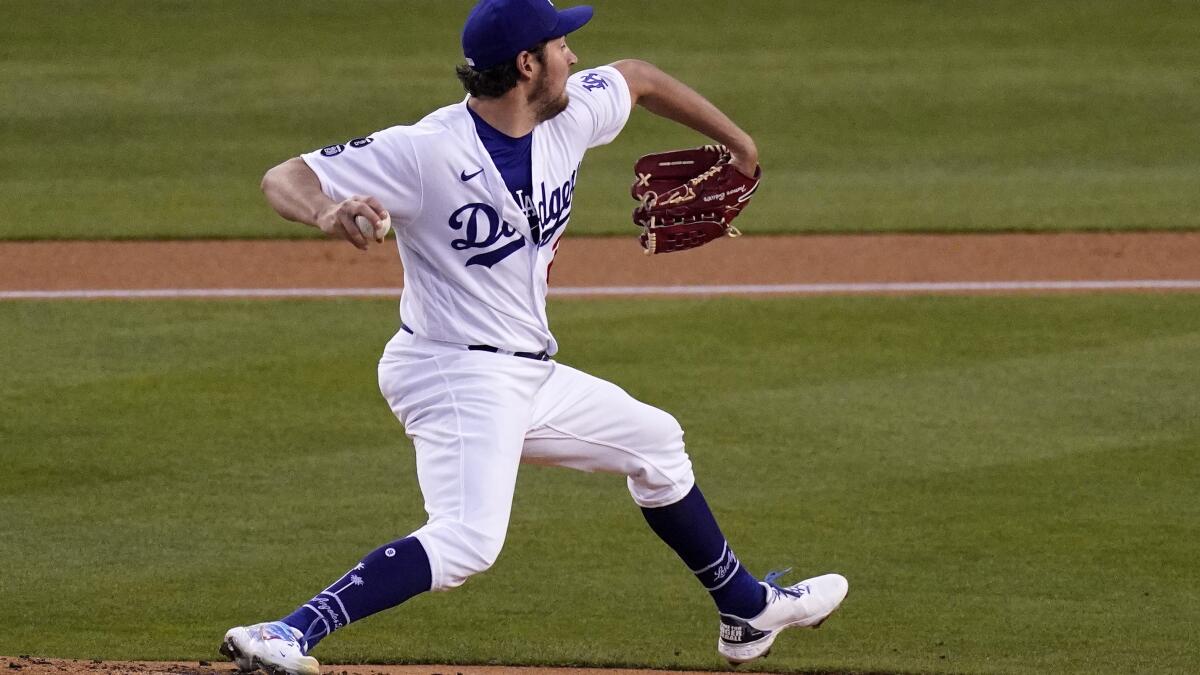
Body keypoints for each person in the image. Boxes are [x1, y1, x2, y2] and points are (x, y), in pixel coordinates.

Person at [221, 1, 847, 673]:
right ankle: (287, 631)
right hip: (451, 370)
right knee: (467, 540)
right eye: (560, 45)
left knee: (657, 443)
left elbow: (637, 77)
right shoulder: (427, 151)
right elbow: (284, 176)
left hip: (527, 373)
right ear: (527, 64)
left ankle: (746, 609)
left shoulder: (569, 117)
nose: (573, 57)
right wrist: (326, 207)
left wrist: (743, 145)